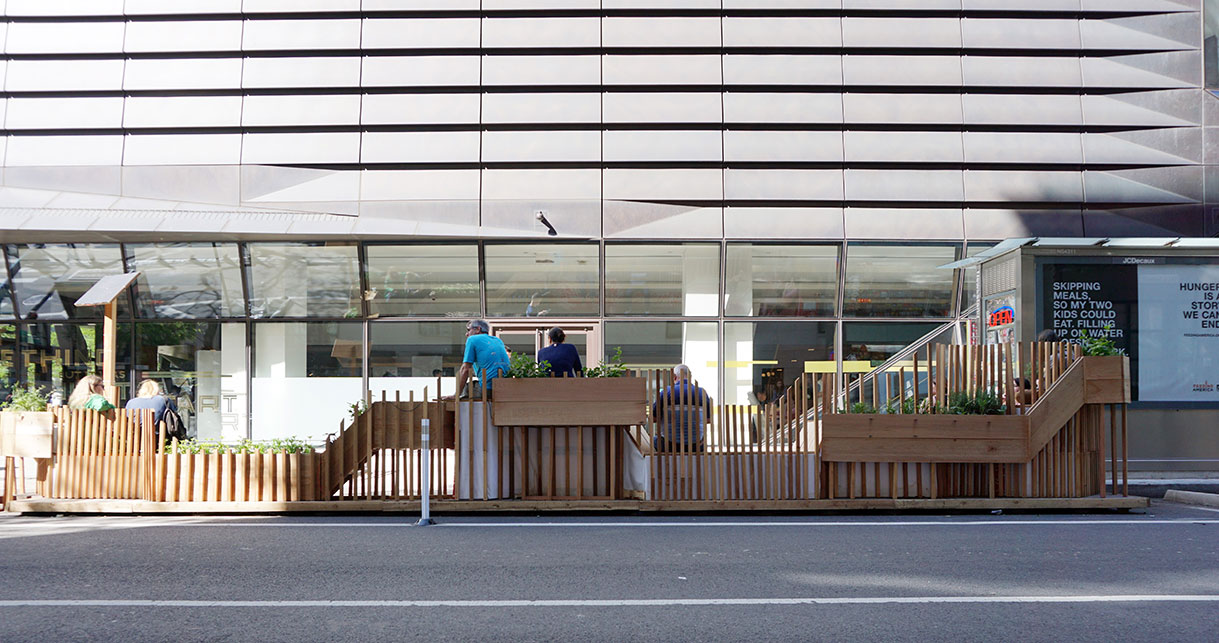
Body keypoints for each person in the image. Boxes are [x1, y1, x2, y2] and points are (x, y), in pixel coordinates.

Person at [651, 365, 713, 452]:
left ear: (674, 377)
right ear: (690, 377)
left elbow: (653, 419)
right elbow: (708, 420)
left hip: (669, 445)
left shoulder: (666, 392)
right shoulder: (701, 392)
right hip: (696, 445)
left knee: (653, 440)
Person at [456, 319, 510, 399]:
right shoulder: (498, 340)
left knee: (467, 388)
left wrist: (456, 395)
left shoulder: (472, 339)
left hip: (486, 388)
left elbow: (465, 369)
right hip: (503, 387)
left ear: (478, 329)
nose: (466, 334)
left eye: (469, 330)